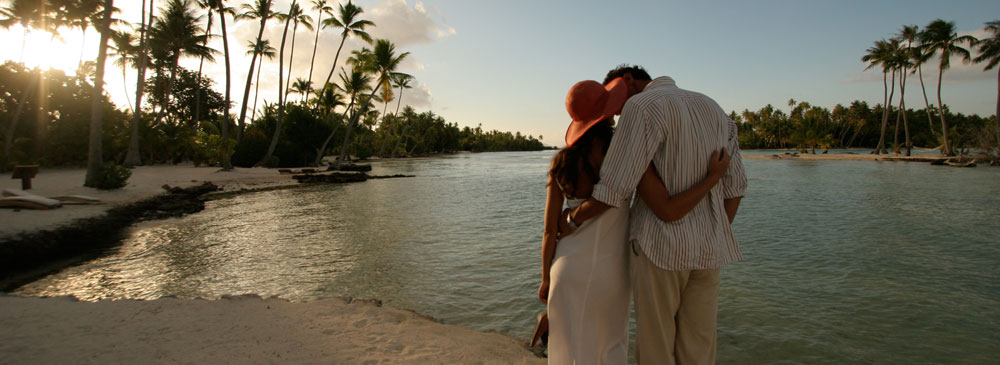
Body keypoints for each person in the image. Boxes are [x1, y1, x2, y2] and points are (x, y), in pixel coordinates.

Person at [537, 77, 733, 364]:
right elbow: (658, 200)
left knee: (570, 344)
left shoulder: (561, 163)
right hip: (613, 270)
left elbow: (548, 231)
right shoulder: (622, 152)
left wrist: (544, 278)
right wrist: (711, 178)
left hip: (566, 268)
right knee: (612, 343)